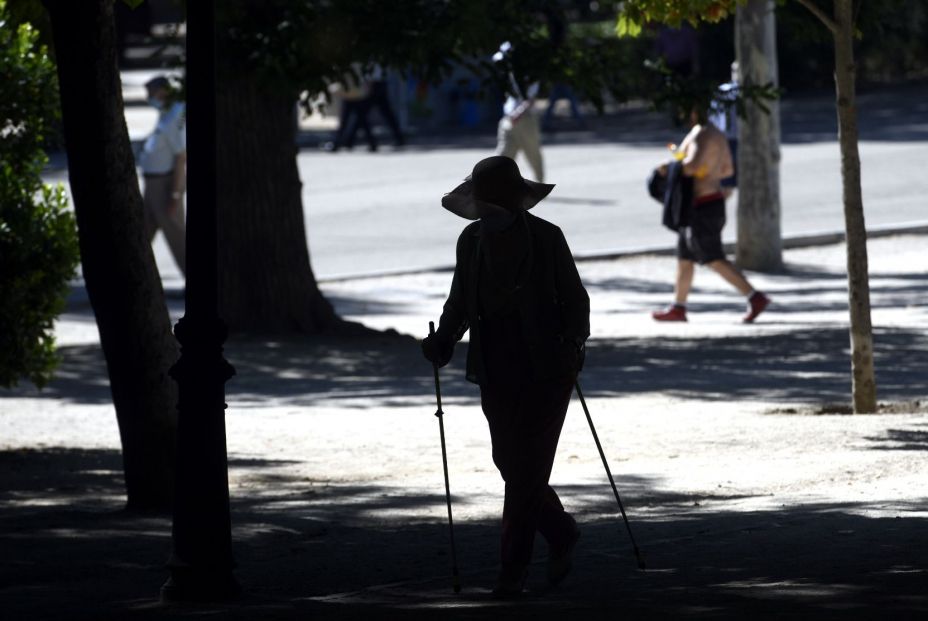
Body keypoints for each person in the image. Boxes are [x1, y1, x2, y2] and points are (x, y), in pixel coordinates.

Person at [421, 155, 589, 597]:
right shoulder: (471, 241)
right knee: (511, 464)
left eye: (495, 205)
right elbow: (459, 302)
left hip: (547, 368)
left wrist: (573, 345)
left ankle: (511, 573)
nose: (488, 214)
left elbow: (575, 301)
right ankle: (560, 532)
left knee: (525, 473)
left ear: (515, 203)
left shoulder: (547, 238)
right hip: (494, 367)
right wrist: (444, 340)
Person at [652, 105, 770, 323]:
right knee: (685, 257)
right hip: (708, 201)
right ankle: (678, 307)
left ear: (695, 110)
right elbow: (727, 170)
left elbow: (691, 167)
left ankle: (755, 297)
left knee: (712, 257)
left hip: (702, 206)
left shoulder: (701, 134)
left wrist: (669, 167)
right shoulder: (718, 134)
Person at [138, 75, 186, 276]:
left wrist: (175, 195)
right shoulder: (166, 113)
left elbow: (181, 157)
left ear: (163, 92)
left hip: (164, 185)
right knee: (142, 232)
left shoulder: (175, 116)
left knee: (177, 237)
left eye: (152, 93)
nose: (150, 98)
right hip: (152, 185)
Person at [493, 42, 545, 182]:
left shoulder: (529, 76)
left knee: (532, 155)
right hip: (508, 120)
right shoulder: (507, 77)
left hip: (525, 120)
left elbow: (531, 99)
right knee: (503, 155)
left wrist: (519, 113)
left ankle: (539, 184)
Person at [709, 61, 740, 192]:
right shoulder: (729, 91)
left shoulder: (721, 90)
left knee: (727, 181)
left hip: (725, 136)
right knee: (728, 180)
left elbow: (711, 116)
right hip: (732, 138)